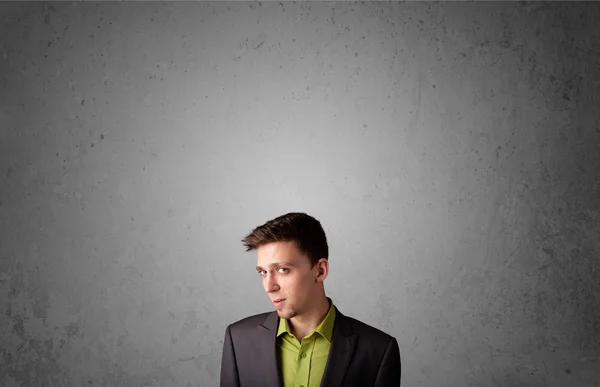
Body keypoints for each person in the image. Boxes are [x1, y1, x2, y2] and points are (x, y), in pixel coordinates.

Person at [220, 212, 401, 387]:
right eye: (263, 272)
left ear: (320, 270)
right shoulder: (238, 340)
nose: (269, 287)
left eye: (283, 269)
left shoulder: (378, 351)